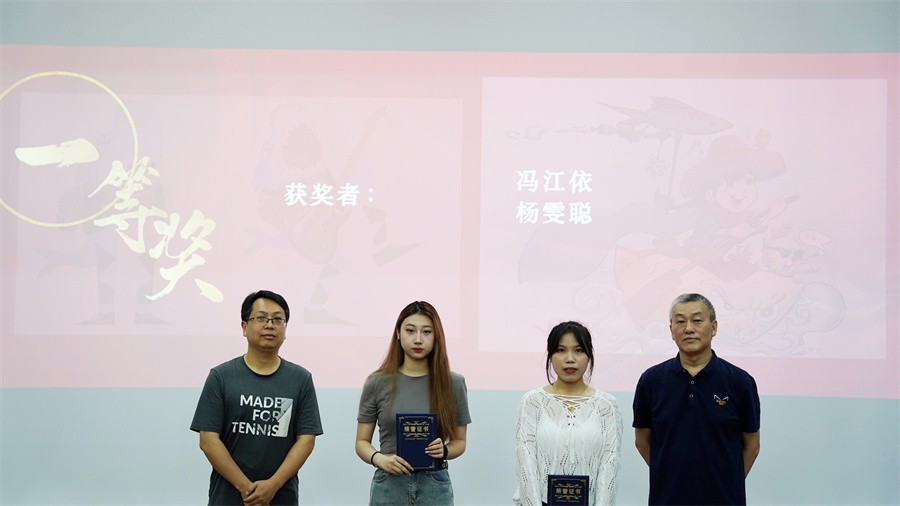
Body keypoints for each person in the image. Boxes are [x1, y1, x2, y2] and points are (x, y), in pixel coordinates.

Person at [190, 290, 323, 506]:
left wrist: (272, 486)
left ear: (285, 329)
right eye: (261, 318)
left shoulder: (300, 379)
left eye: (277, 319)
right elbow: (208, 440)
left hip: (281, 497)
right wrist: (246, 488)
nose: (270, 325)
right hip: (228, 497)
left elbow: (306, 440)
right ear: (244, 327)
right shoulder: (221, 376)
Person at [633, 293, 761, 505]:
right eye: (680, 322)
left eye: (697, 320)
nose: (688, 328)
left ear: (714, 327)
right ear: (671, 330)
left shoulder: (740, 382)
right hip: (667, 499)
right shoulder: (651, 381)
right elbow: (642, 442)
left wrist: (727, 480)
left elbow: (752, 446)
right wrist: (670, 474)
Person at [355, 301, 471, 505]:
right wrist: (379, 459)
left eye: (426, 332)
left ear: (436, 336)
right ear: (398, 333)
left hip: (434, 484)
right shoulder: (377, 382)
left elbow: (460, 442)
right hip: (389, 482)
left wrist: (444, 451)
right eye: (410, 331)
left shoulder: (453, 383)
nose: (418, 339)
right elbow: (361, 442)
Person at [513, 321, 622, 506]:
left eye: (578, 350)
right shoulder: (532, 402)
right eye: (561, 350)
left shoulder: (607, 405)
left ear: (589, 356)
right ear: (550, 355)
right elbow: (526, 461)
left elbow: (610, 464)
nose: (570, 359)